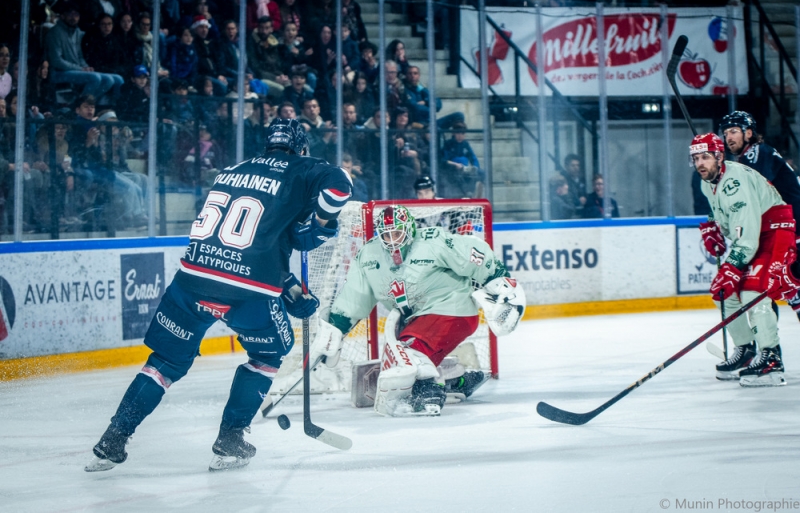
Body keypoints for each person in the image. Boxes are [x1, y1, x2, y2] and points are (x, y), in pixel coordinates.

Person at [85, 118, 352, 472]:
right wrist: (320, 220)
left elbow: (256, 239)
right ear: (301, 148)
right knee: (269, 354)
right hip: (247, 290)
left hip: (193, 276)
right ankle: (230, 440)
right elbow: (339, 187)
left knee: (164, 362)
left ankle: (113, 439)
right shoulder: (304, 168)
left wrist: (287, 287)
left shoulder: (233, 171)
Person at [311, 205, 526, 417]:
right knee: (400, 357)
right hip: (413, 321)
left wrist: (500, 282)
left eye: (397, 233)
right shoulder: (369, 255)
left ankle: (428, 391)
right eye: (386, 235)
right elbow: (355, 297)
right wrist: (335, 331)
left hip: (451, 310)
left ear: (410, 229)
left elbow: (472, 254)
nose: (392, 240)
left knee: (407, 355)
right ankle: (454, 380)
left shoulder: (432, 240)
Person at [691, 133, 792, 387]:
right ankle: (746, 350)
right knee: (722, 293)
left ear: (719, 156)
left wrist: (732, 267)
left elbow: (747, 238)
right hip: (753, 233)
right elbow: (724, 218)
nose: (700, 163)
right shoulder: (707, 183)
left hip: (774, 231)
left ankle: (771, 358)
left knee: (753, 292)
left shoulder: (736, 181)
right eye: (696, 158)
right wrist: (714, 228)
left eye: (705, 157)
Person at [721, 110, 800, 321]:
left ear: (748, 133)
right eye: (726, 132)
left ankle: (769, 349)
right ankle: (769, 349)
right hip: (781, 228)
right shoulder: (746, 159)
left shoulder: (756, 153)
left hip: (790, 228)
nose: (729, 137)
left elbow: (753, 195)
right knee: (773, 286)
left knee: (774, 284)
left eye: (734, 131)